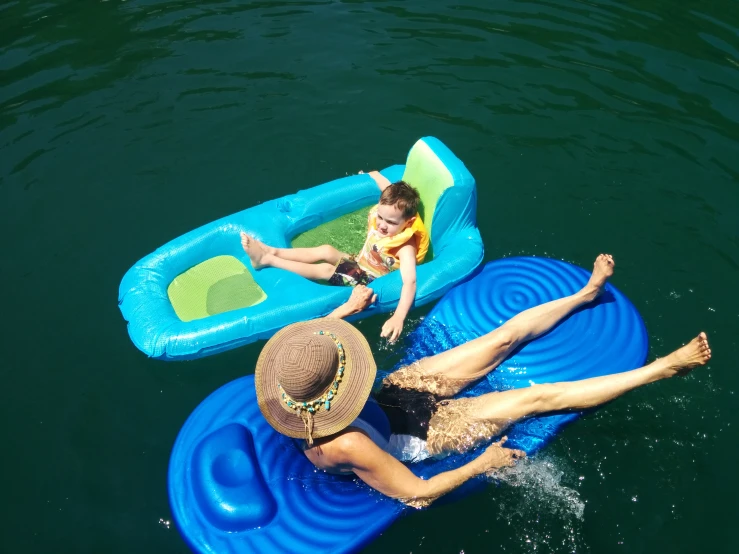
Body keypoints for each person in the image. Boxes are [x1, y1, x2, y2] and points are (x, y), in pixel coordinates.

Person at [254, 255, 711, 508]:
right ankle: (660, 369)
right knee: (535, 399)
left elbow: (310, 350)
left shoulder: (284, 384)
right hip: (416, 435)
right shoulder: (345, 447)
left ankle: (585, 294)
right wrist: (481, 463)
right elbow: (417, 493)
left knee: (502, 337)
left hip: (392, 395)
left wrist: (344, 310)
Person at [241, 171, 429, 342]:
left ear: (409, 222)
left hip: (370, 280)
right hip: (361, 262)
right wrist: (371, 174)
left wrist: (398, 316)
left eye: (390, 222)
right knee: (326, 250)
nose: (381, 225)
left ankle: (267, 260)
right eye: (380, 217)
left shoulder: (405, 247)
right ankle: (272, 250)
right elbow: (384, 184)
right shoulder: (389, 210)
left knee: (325, 269)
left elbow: (410, 282)